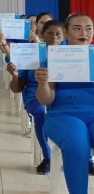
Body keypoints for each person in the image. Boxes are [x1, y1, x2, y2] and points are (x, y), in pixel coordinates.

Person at [35, 13, 94, 193]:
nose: (84, 32)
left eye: (89, 28)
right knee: (77, 145)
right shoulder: (54, 59)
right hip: (63, 115)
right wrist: (43, 83)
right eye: (77, 28)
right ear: (66, 33)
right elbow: (46, 99)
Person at [7, 20, 65, 175]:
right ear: (42, 35)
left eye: (58, 34)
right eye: (50, 33)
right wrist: (14, 75)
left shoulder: (69, 53)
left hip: (62, 93)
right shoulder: (32, 53)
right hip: (34, 93)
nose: (54, 38)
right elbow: (17, 87)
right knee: (41, 113)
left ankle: (85, 157)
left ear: (64, 35)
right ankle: (48, 157)